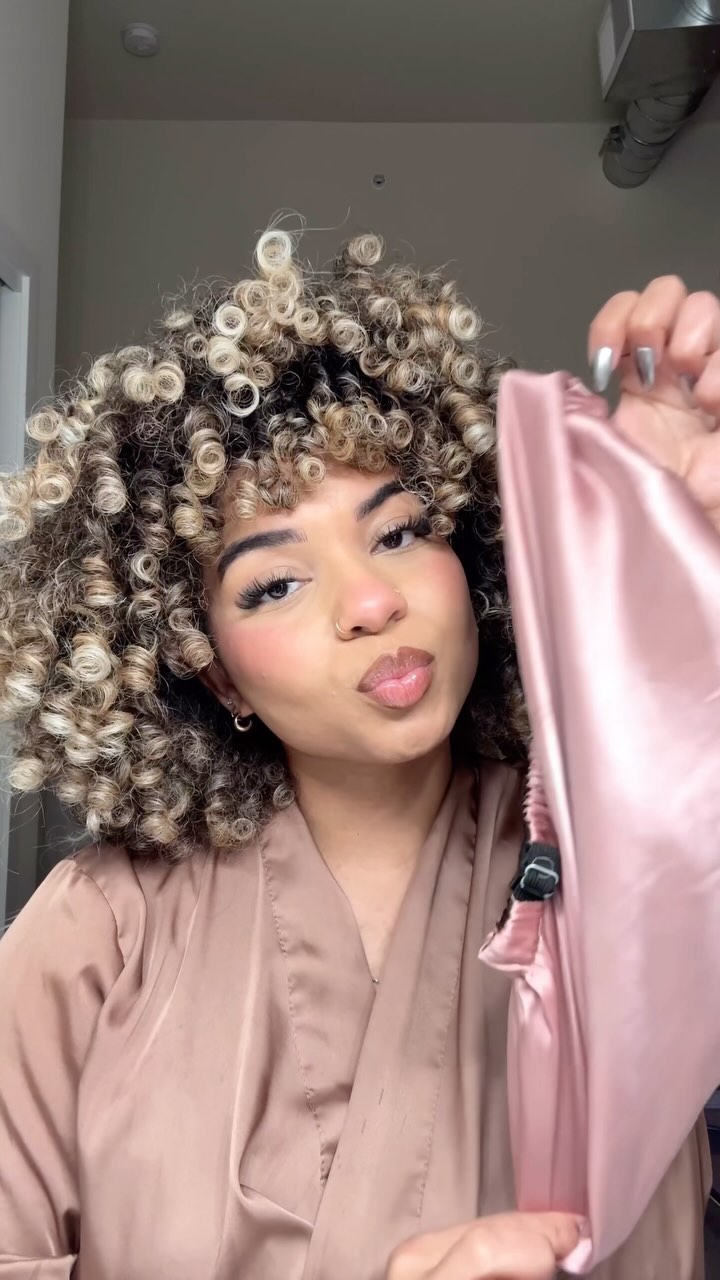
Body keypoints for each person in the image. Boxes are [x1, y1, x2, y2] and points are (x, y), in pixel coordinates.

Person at [0, 229, 717, 1279]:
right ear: (215, 673)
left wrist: (680, 573)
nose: (372, 601)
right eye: (274, 584)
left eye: (398, 532)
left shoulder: (626, 853)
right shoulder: (97, 933)